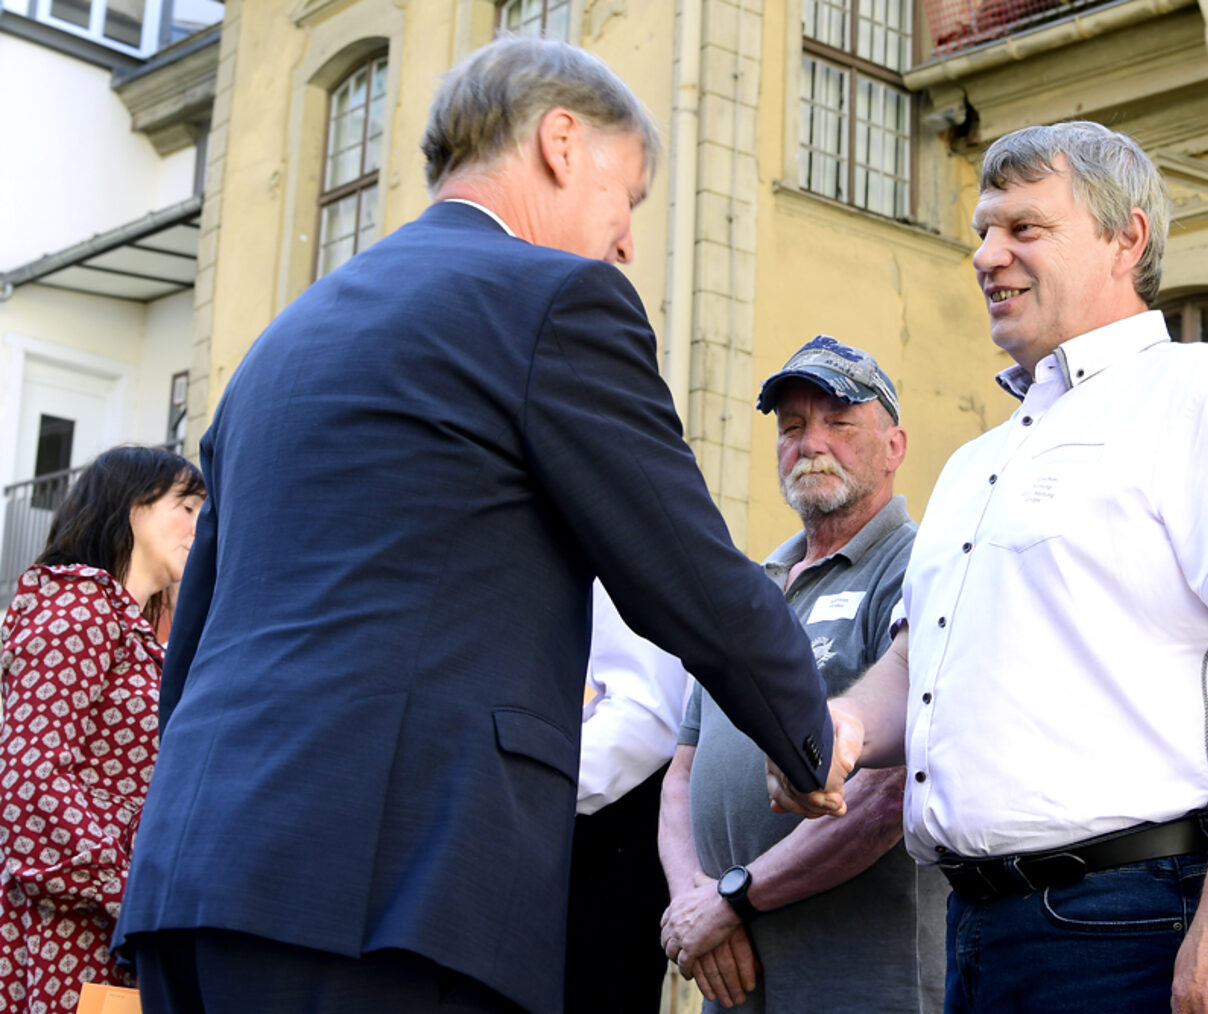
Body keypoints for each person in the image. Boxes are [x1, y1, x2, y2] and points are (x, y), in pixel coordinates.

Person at [114, 36, 837, 1014]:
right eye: (626, 196)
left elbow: (193, 641)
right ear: (560, 143)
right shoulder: (555, 301)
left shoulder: (282, 342)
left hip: (194, 883)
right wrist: (809, 739)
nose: (625, 240)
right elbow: (687, 569)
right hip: (387, 898)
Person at [769, 122, 1208, 1014]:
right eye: (981, 230)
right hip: (982, 930)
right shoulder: (974, 465)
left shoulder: (1202, 393)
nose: (986, 256)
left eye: (1023, 229)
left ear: (1129, 239)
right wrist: (834, 729)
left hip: (1142, 923)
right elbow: (917, 667)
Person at [660, 336, 945, 1012]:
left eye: (839, 423)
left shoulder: (916, 567)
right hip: (734, 971)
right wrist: (691, 902)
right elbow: (680, 775)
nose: (811, 442)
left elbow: (889, 788)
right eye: (792, 428)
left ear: (894, 446)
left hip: (861, 978)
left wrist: (735, 897)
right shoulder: (748, 589)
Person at [0, 445, 205, 1014]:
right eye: (186, 505)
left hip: (114, 936)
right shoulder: (78, 607)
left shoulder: (131, 633)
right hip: (72, 935)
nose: (199, 524)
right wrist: (131, 891)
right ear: (131, 506)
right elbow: (30, 779)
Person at [564, 581, 691, 1013]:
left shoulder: (611, 549)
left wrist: (519, 788)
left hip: (598, 839)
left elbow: (646, 716)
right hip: (563, 820)